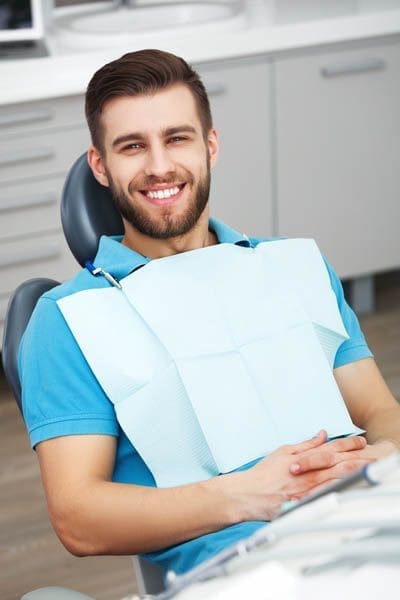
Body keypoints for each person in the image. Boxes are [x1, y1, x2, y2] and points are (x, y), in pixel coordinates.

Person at [19, 49, 400, 578]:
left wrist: (378, 463)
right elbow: (79, 518)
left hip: (377, 520)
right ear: (100, 166)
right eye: (132, 147)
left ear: (210, 146)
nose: (159, 166)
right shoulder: (67, 320)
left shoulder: (296, 266)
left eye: (177, 138)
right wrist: (253, 495)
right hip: (256, 571)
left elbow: (383, 414)